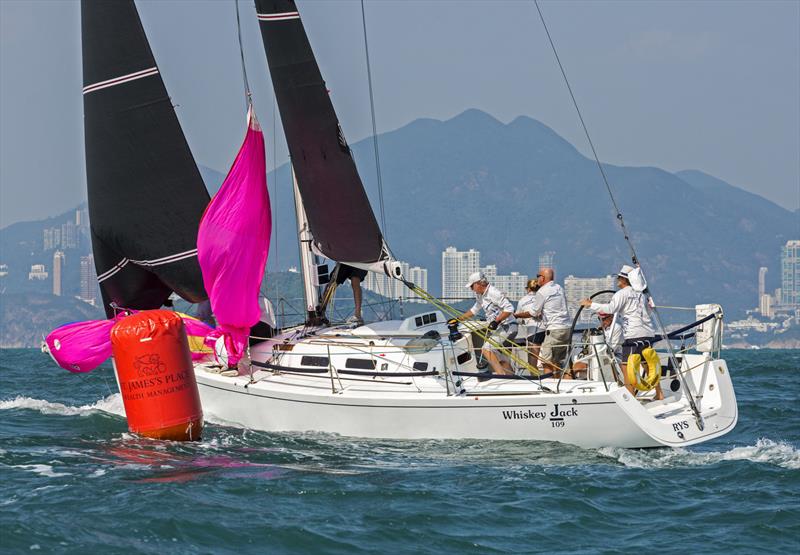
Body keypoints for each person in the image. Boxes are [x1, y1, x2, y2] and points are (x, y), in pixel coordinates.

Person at [580, 264, 663, 400]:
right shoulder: (640, 294)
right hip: (647, 333)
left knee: (627, 367)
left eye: (619, 277)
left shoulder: (622, 294)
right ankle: (659, 393)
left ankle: (630, 398)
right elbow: (648, 311)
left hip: (633, 335)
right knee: (647, 364)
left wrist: (591, 305)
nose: (617, 280)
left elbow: (611, 308)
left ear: (624, 280)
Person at [456, 272, 516, 376]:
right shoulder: (480, 296)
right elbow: (474, 310)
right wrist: (458, 319)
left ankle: (501, 376)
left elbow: (509, 308)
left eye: (472, 286)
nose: (471, 289)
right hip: (500, 329)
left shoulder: (493, 292)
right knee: (501, 357)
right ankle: (512, 379)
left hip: (508, 327)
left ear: (479, 284)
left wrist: (496, 321)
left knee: (486, 349)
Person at [529, 268, 571, 375]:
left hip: (554, 330)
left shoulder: (542, 291)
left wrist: (516, 315)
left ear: (542, 278)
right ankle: (559, 383)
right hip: (566, 329)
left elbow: (533, 312)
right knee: (558, 361)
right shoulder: (559, 288)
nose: (537, 278)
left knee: (546, 361)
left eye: (538, 276)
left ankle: (549, 385)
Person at [571, 311, 623, 378]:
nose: (602, 321)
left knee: (580, 367)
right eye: (599, 319)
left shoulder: (616, 328)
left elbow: (612, 349)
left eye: (604, 319)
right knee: (576, 366)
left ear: (611, 317)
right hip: (599, 354)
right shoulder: (602, 328)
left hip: (614, 356)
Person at [514, 278, 544, 367]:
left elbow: (518, 319)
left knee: (532, 365)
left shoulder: (522, 301)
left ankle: (535, 378)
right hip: (548, 330)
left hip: (533, 332)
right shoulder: (543, 298)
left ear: (528, 289)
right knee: (549, 362)